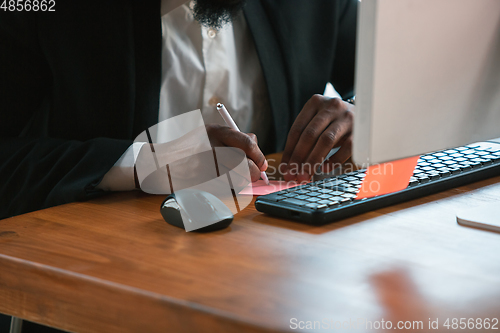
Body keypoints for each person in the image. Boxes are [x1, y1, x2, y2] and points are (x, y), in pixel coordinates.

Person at [0, 0, 357, 330]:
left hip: (276, 286)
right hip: (97, 293)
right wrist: (144, 162)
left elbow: (380, 79)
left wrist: (361, 114)